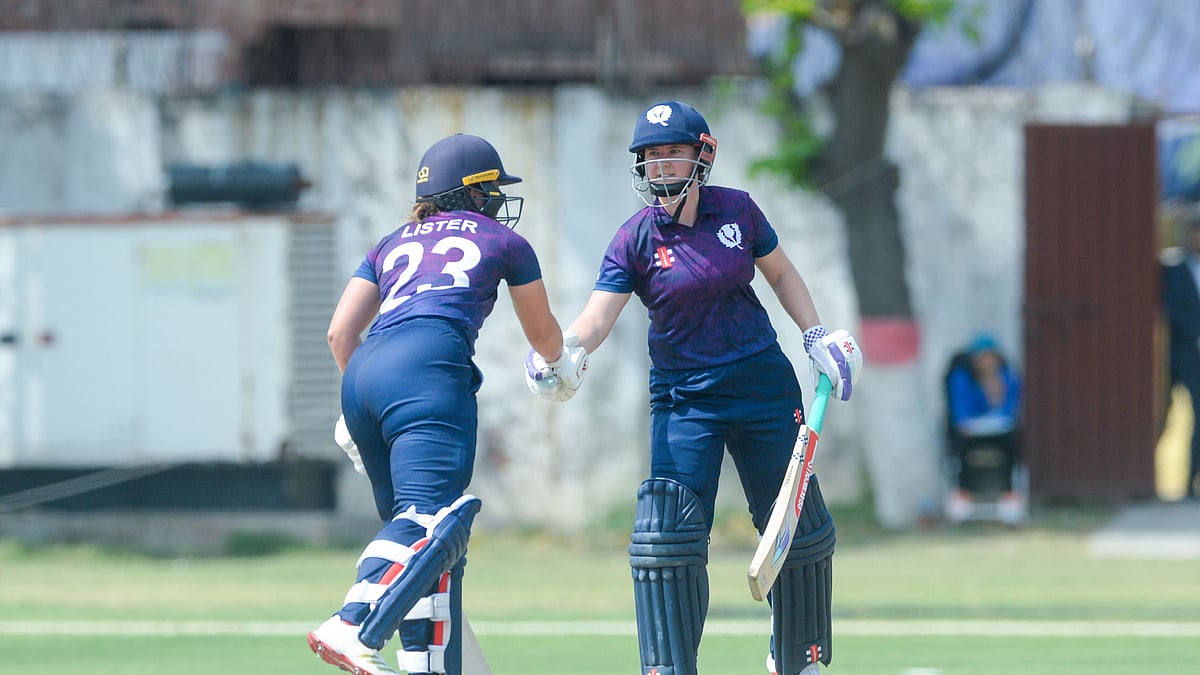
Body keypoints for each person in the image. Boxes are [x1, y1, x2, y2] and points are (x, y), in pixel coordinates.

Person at [525, 101, 862, 675]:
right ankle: (668, 665)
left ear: (702, 156)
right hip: (685, 397)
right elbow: (599, 316)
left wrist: (814, 338)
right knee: (668, 540)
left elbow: (780, 273)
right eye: (650, 157)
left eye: (671, 154)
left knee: (798, 526)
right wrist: (560, 352)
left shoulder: (738, 211)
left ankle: (797, 655)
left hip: (762, 383)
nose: (659, 167)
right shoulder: (634, 238)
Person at [307, 133, 586, 675]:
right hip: (429, 366)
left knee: (427, 555)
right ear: (474, 193)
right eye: (493, 192)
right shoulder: (504, 241)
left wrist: (367, 403)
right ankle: (352, 620)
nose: (499, 203)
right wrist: (563, 365)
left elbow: (340, 334)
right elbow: (543, 335)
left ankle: (427, 666)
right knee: (431, 521)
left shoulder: (392, 241)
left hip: (364, 374)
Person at [944, 333, 1024, 524]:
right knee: (961, 450)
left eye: (992, 358)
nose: (988, 363)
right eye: (983, 358)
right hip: (969, 434)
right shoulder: (961, 379)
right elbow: (961, 413)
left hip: (999, 432)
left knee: (1011, 446)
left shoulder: (1008, 378)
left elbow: (1010, 412)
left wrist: (996, 393)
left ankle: (1010, 495)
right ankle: (962, 495)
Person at [1162, 210, 1200, 499]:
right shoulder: (1172, 268)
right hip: (1177, 354)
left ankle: (1190, 484)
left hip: (1196, 361)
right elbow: (1172, 310)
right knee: (1161, 414)